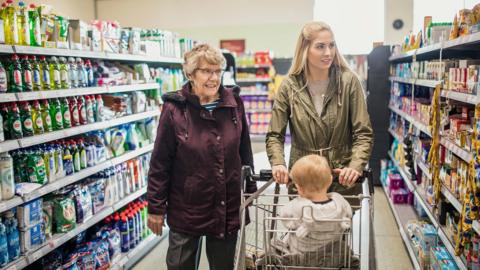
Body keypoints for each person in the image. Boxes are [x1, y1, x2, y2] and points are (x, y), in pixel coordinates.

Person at [146, 44, 256, 270]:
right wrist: (156, 208)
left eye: (217, 71)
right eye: (206, 71)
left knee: (223, 266)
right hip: (186, 206)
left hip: (226, 203)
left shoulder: (234, 104)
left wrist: (250, 190)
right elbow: (160, 163)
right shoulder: (174, 109)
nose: (213, 78)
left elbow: (244, 151)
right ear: (190, 74)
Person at [266, 21, 373, 199]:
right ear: (305, 49)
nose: (328, 52)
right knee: (303, 225)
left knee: (339, 225)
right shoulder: (289, 86)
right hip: (303, 179)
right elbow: (275, 135)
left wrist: (355, 166)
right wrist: (278, 163)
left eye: (332, 45)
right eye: (320, 46)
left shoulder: (348, 82)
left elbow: (363, 133)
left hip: (341, 179)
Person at [277, 154, 352, 255]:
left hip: (300, 257)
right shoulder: (340, 202)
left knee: (276, 244)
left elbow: (285, 218)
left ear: (299, 189)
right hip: (330, 256)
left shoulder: (297, 206)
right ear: (330, 180)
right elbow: (348, 214)